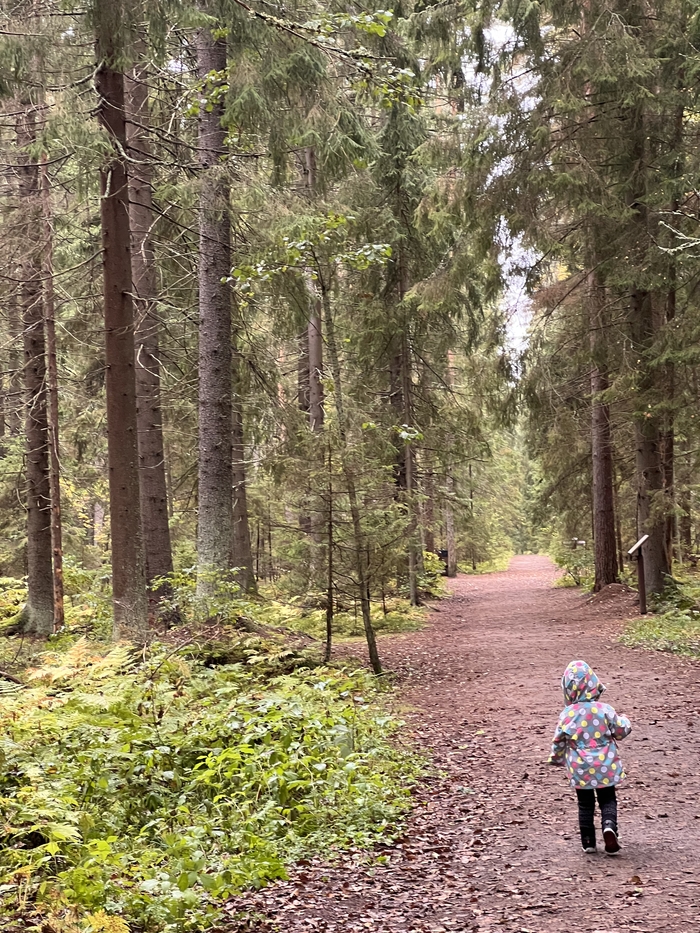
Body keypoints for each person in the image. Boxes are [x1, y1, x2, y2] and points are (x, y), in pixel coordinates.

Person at [548, 659, 632, 855]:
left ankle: (588, 842)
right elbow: (620, 730)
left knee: (585, 803)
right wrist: (627, 721)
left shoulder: (568, 714)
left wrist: (557, 758)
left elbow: (559, 739)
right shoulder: (604, 710)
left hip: (580, 767)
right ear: (594, 683)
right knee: (607, 799)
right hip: (605, 764)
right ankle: (609, 826)